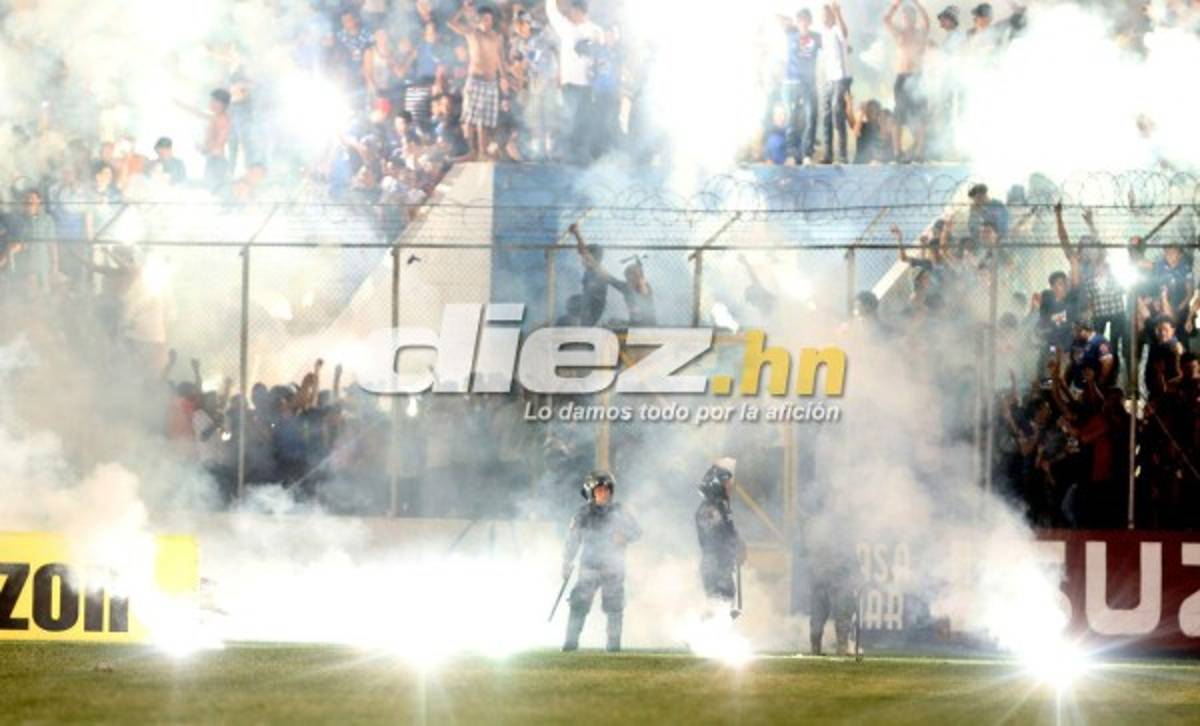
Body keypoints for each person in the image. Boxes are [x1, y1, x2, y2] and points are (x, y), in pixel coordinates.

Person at [561, 470, 642, 652]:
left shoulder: (620, 511)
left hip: (613, 568)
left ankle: (613, 648)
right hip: (589, 567)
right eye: (599, 490)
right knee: (579, 605)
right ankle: (570, 644)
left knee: (614, 608)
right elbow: (572, 540)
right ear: (591, 492)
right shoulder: (582, 514)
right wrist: (566, 562)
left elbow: (637, 531)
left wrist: (625, 536)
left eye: (606, 490)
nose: (603, 494)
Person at [545, 0, 604, 165]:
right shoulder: (566, 27)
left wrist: (591, 47)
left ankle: (582, 155)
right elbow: (552, 11)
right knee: (568, 118)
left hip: (588, 84)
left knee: (584, 120)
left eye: (572, 11)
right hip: (569, 83)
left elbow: (599, 51)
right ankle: (562, 154)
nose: (570, 14)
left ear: (580, 11)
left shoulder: (595, 29)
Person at [449, 4, 507, 161]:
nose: (488, 22)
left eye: (490, 19)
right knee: (471, 118)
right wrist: (463, 8)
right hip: (475, 80)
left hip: (491, 81)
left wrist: (504, 77)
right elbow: (451, 23)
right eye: (485, 19)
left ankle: (483, 152)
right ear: (480, 19)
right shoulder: (472, 32)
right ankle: (472, 151)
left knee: (485, 121)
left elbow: (500, 58)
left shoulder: (496, 36)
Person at [570, 222, 655, 326]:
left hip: (648, 331)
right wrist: (578, 235)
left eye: (634, 274)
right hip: (635, 329)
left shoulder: (644, 289)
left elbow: (641, 280)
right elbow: (595, 265)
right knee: (612, 324)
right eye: (628, 274)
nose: (631, 277)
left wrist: (638, 263)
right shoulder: (625, 288)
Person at [694, 459, 746, 613]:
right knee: (719, 607)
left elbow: (728, 533)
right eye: (727, 483)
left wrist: (738, 543)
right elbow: (716, 539)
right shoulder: (709, 510)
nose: (731, 487)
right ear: (717, 484)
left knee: (725, 604)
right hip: (715, 566)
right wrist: (734, 546)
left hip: (722, 565)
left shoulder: (721, 507)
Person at [883, 0, 931, 161]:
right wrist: (896, 4)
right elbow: (886, 20)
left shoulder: (920, 33)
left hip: (917, 77)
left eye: (909, 16)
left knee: (919, 115)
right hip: (902, 77)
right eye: (904, 16)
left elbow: (927, 21)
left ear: (913, 17)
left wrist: (916, 3)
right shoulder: (899, 33)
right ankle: (897, 152)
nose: (906, 19)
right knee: (898, 114)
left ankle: (919, 152)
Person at [779, 9, 822, 165]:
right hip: (791, 83)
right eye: (800, 20)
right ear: (798, 22)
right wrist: (790, 21)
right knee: (791, 118)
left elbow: (833, 45)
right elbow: (776, 18)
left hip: (809, 84)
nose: (803, 22)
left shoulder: (816, 37)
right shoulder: (791, 34)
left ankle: (807, 155)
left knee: (811, 117)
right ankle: (791, 154)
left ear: (810, 21)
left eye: (806, 20)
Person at [819, 3, 852, 165]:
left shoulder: (836, 29)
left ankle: (843, 155)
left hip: (842, 78)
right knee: (826, 115)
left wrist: (838, 13)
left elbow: (844, 34)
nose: (824, 18)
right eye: (822, 15)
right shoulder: (823, 33)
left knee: (836, 111)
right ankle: (828, 154)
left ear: (832, 16)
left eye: (827, 15)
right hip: (830, 79)